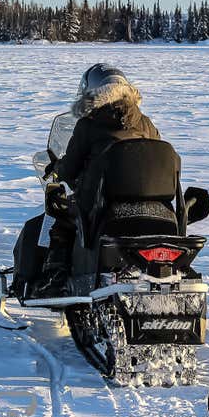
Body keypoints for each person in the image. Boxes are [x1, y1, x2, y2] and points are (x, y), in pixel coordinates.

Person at [35, 63, 160, 297]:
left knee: (62, 219)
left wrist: (59, 168)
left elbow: (70, 169)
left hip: (101, 204)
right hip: (151, 204)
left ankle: (56, 278)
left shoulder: (89, 125)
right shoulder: (146, 124)